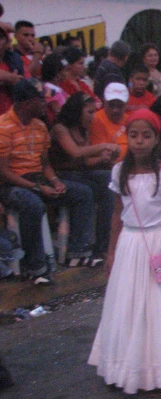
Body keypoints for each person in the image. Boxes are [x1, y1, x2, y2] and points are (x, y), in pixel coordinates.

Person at [88, 109, 161, 395]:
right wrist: (111, 253)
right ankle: (124, 365)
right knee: (128, 303)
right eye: (133, 135)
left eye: (145, 135)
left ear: (156, 138)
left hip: (160, 241)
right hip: (130, 243)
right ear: (127, 136)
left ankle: (160, 367)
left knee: (160, 304)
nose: (138, 141)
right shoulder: (118, 171)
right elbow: (116, 215)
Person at [0, 79, 95, 282]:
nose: (45, 104)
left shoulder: (40, 127)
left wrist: (54, 181)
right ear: (26, 104)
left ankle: (77, 254)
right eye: (40, 100)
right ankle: (35, 267)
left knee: (82, 193)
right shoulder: (3, 127)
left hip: (39, 179)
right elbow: (4, 172)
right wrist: (37, 187)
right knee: (32, 204)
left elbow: (45, 164)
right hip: (13, 185)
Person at [50, 92, 119, 265]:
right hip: (59, 175)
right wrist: (103, 146)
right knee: (85, 192)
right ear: (77, 111)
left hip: (79, 173)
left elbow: (86, 161)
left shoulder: (83, 130)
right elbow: (75, 152)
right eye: (89, 112)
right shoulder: (60, 129)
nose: (92, 116)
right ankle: (78, 250)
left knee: (108, 181)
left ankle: (103, 244)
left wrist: (103, 159)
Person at [90, 82, 130, 160]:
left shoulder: (131, 121)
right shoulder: (95, 119)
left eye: (119, 105)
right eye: (111, 105)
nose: (115, 110)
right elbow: (103, 153)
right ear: (104, 101)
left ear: (126, 105)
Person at [0, 25, 24, 115]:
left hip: (10, 119)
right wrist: (9, 78)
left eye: (0, 37)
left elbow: (23, 82)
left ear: (7, 43)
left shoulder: (14, 61)